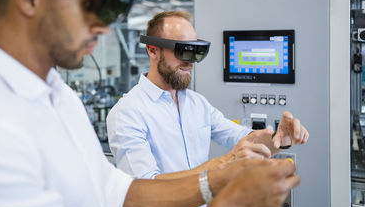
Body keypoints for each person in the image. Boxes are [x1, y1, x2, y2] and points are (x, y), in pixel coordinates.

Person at [0, 0, 300, 207]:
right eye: (90, 5)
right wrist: (231, 204)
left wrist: (222, 173)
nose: (102, 27)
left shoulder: (60, 98)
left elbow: (117, 194)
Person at [107, 11, 308, 183]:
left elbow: (242, 138)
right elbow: (146, 187)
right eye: (184, 51)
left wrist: (280, 138)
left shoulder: (196, 104)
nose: (191, 62)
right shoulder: (127, 112)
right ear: (152, 50)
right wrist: (224, 164)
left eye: (197, 52)